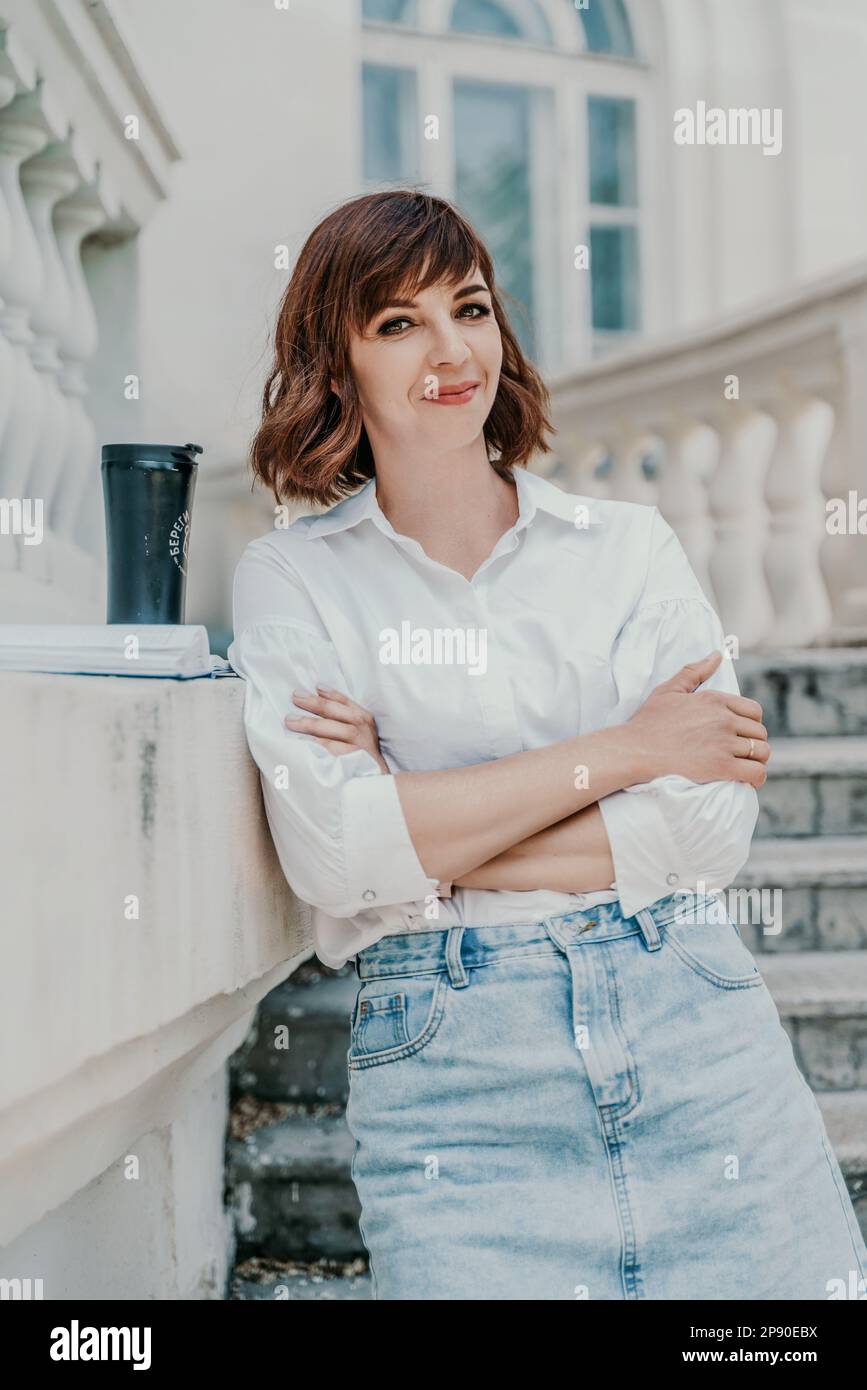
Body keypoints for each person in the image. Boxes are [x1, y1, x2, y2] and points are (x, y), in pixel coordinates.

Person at [227, 189, 867, 1301]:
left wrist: (415, 823)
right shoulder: (295, 580)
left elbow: (705, 828)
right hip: (457, 1087)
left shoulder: (626, 547)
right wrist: (627, 749)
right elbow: (333, 856)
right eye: (396, 322)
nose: (449, 349)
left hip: (699, 1044)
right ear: (337, 366)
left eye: (468, 307)